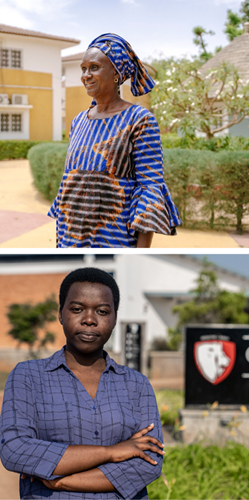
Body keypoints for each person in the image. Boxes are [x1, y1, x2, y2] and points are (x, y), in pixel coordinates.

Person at [0, 268, 164, 498]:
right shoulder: (28, 376)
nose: (89, 320)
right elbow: (15, 450)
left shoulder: (137, 384)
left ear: (115, 317)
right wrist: (112, 452)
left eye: (102, 311)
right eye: (77, 309)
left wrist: (62, 482)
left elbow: (149, 462)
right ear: (60, 313)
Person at [48, 34, 181, 248]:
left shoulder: (139, 119)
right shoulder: (78, 121)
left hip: (115, 240)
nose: (86, 75)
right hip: (70, 239)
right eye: (83, 69)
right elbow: (68, 189)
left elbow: (150, 188)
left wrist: (140, 255)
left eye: (94, 67)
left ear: (117, 74)